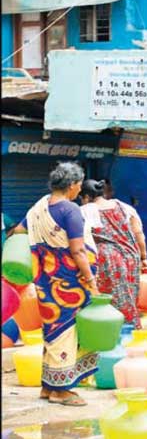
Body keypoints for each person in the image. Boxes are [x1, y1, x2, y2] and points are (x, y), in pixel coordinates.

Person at [13, 162, 98, 406]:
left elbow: (18, 232)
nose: (79, 190)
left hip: (45, 280)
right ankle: (61, 390)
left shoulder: (39, 207)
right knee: (67, 331)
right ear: (71, 185)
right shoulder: (70, 210)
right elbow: (78, 250)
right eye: (79, 186)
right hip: (70, 283)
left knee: (52, 330)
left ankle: (48, 386)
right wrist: (91, 281)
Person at [79, 179, 146, 327]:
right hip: (130, 256)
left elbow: (79, 238)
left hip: (109, 259)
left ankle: (115, 331)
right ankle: (131, 330)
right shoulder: (124, 206)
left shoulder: (86, 210)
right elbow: (138, 233)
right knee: (129, 295)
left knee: (110, 300)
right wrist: (144, 257)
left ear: (86, 197)